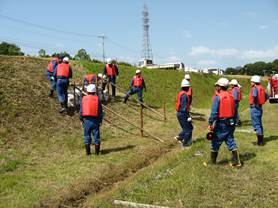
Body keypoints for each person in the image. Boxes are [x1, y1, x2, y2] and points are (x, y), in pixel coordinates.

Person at [204, 78, 241, 167]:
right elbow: (235, 111)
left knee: (215, 141)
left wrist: (210, 123)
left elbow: (214, 113)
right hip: (231, 122)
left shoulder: (218, 97)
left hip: (221, 123)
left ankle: (212, 162)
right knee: (230, 140)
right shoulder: (231, 96)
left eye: (217, 86)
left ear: (220, 87)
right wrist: (235, 121)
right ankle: (236, 162)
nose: (216, 87)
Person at [80, 84, 103, 155]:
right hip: (95, 120)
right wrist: (100, 120)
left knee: (86, 136)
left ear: (87, 91)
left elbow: (81, 111)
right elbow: (100, 112)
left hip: (86, 120)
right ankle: (97, 153)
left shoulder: (83, 99)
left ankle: (88, 153)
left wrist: (81, 119)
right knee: (96, 136)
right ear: (94, 91)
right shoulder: (97, 99)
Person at [249, 75, 268, 146]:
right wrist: (261, 103)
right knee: (259, 124)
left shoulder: (255, 88)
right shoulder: (262, 88)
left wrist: (255, 104)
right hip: (260, 107)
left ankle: (260, 142)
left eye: (252, 82)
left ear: (254, 82)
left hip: (255, 108)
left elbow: (254, 96)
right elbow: (267, 96)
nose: (251, 83)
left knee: (256, 124)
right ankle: (261, 140)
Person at [174, 79, 193, 149]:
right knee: (188, 130)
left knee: (190, 127)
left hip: (180, 113)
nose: (189, 88)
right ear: (187, 87)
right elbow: (184, 108)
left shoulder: (181, 93)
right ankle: (185, 145)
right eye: (188, 87)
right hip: (182, 114)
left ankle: (180, 137)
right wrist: (188, 116)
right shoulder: (184, 96)